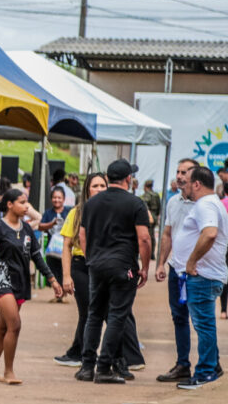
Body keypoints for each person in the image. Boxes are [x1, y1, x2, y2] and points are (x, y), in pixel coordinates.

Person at [0, 189, 62, 385]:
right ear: (9, 205)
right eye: (22, 202)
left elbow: (37, 257)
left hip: (20, 282)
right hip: (0, 280)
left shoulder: (27, 229)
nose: (26, 207)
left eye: (26, 202)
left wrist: (52, 280)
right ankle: (9, 371)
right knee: (14, 324)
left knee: (2, 328)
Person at [77, 159, 152, 384]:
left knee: (94, 314)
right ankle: (104, 368)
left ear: (108, 178)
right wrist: (145, 267)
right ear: (128, 179)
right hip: (123, 266)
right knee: (117, 316)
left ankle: (87, 366)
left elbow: (82, 235)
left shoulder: (91, 203)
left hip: (97, 265)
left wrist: (91, 259)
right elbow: (144, 238)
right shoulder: (136, 203)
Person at [166, 165, 227, 389]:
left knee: (204, 325)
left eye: (189, 181)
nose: (184, 185)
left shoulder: (205, 205)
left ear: (197, 184)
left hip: (202, 275)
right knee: (204, 323)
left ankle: (205, 371)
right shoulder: (212, 203)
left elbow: (209, 233)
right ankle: (211, 366)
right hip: (204, 274)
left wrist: (191, 261)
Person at [56, 172, 108, 367]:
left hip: (103, 266)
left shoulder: (112, 211)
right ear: (87, 190)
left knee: (100, 311)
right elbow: (66, 246)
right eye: (95, 186)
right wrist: (66, 276)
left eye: (103, 186)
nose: (99, 189)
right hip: (81, 266)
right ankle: (80, 353)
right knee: (87, 309)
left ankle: (81, 352)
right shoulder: (76, 213)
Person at [154, 159, 199, 382]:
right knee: (179, 317)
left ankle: (210, 364)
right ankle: (183, 364)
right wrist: (161, 263)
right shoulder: (173, 202)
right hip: (176, 270)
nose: (180, 176)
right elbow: (167, 234)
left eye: (184, 172)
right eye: (178, 172)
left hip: (198, 272)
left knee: (201, 319)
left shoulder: (205, 204)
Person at [39, 187, 69, 298]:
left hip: (66, 248)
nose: (57, 200)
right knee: (53, 271)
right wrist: (51, 224)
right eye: (54, 197)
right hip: (52, 249)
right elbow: (40, 226)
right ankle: (58, 294)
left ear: (64, 199)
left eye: (59, 198)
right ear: (51, 199)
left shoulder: (68, 212)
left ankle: (64, 294)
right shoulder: (48, 213)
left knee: (64, 270)